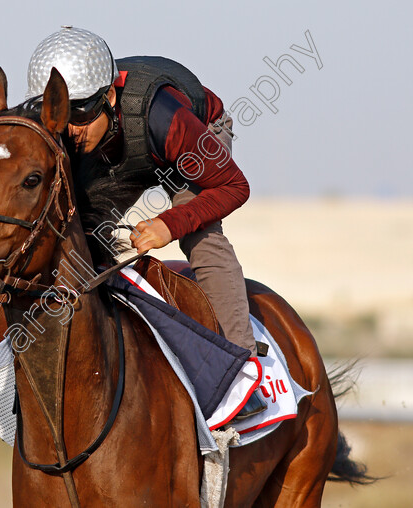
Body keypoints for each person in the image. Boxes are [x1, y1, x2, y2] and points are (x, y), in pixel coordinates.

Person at [24, 26, 265, 419]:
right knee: (81, 236)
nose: (72, 130)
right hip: (121, 154)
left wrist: (170, 224)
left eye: (82, 112)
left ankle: (241, 369)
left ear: (111, 96)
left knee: (201, 237)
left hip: (195, 146)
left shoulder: (165, 118)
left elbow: (235, 186)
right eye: (62, 117)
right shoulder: (70, 132)